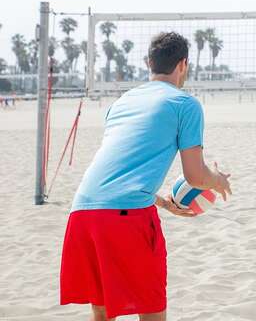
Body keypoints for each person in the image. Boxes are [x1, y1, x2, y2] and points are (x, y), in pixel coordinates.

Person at [60, 32, 232, 321]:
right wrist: (218, 180)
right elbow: (195, 176)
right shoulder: (185, 104)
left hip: (82, 213)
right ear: (183, 65)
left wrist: (162, 203)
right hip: (125, 218)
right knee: (151, 310)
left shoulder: (121, 103)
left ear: (148, 62)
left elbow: (117, 171)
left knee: (101, 314)